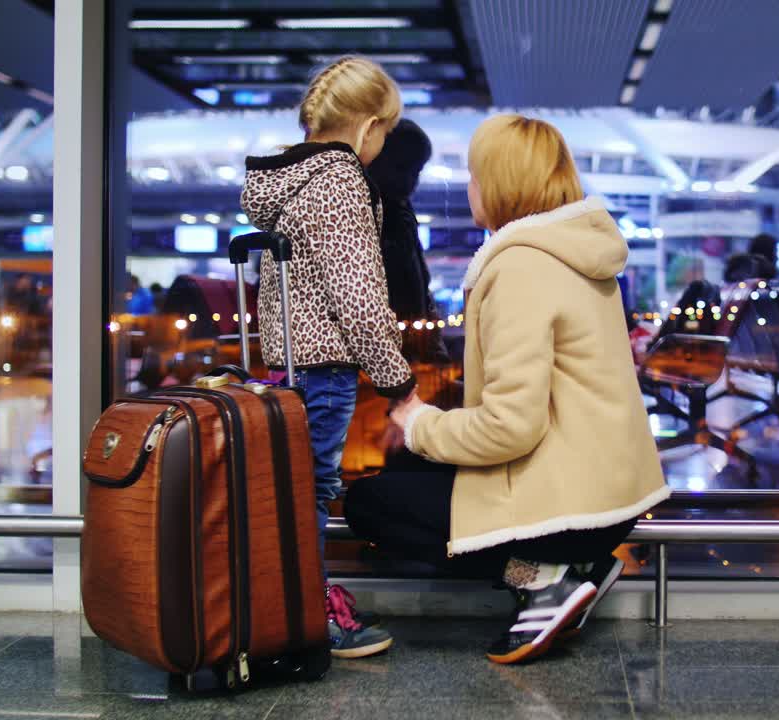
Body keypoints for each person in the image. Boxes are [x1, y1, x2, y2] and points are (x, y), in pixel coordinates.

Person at [345, 114, 670, 665]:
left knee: (370, 505)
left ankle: (544, 577)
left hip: (567, 510)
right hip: (607, 495)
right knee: (407, 475)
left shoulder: (519, 267)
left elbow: (511, 426)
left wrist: (420, 421)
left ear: (498, 181)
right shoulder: (579, 254)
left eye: (475, 174)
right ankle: (578, 568)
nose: (469, 186)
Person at [241, 56, 411, 660]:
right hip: (325, 369)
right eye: (385, 131)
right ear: (367, 127)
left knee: (289, 492)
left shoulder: (290, 184)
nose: (384, 145)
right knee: (309, 494)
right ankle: (310, 617)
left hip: (286, 366)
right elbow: (358, 296)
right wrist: (397, 379)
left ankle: (292, 605)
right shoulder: (339, 182)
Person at [365, 118, 449, 365]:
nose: (412, 180)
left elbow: (419, 283)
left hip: (404, 348)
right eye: (402, 168)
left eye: (417, 171)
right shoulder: (368, 210)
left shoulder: (400, 210)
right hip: (387, 356)